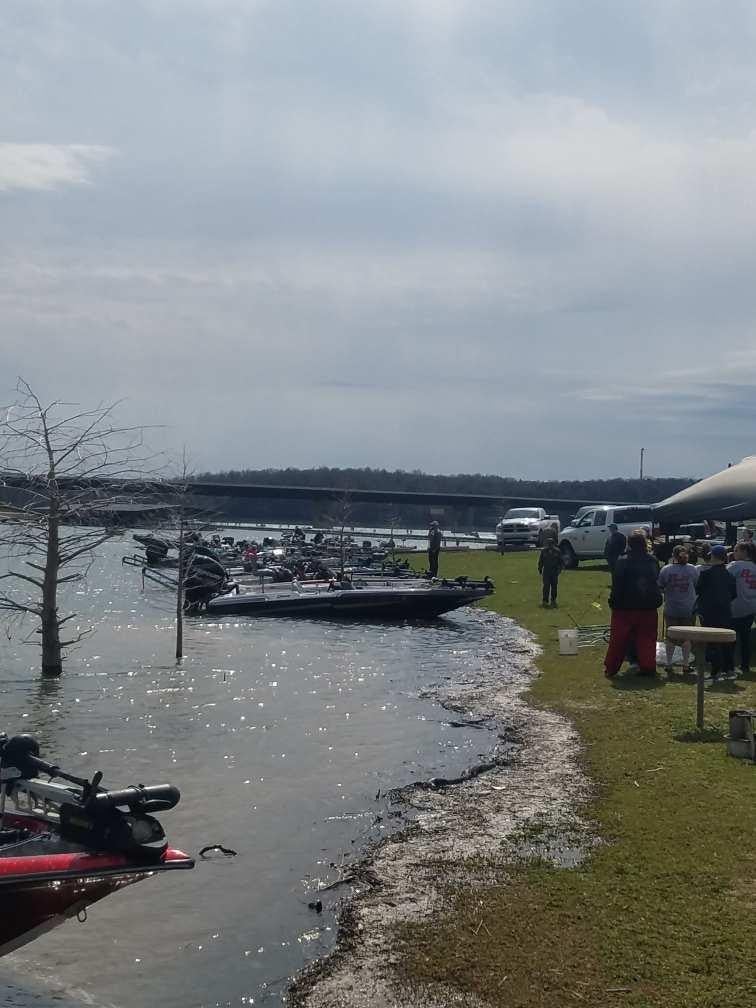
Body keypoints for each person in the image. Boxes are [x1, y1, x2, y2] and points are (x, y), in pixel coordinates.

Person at [604, 531, 663, 678]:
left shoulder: (622, 560)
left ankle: (611, 667)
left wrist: (613, 600)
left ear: (629, 544)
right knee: (647, 638)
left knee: (618, 639)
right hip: (648, 605)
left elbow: (617, 584)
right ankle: (648, 666)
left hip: (624, 606)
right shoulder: (652, 560)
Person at [696, 544, 737, 680]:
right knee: (726, 640)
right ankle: (729, 669)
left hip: (709, 611)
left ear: (713, 557)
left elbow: (698, 591)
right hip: (725, 610)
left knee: (712, 641)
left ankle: (716, 671)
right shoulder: (729, 575)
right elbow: (734, 594)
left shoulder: (706, 574)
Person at [658, 545, 699, 674]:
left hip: (672, 606)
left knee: (671, 636)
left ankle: (669, 664)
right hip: (688, 607)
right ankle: (685, 665)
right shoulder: (693, 569)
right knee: (687, 637)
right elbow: (696, 584)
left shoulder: (666, 569)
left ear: (673, 556)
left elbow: (660, 585)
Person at [727, 541, 756, 675]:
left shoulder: (735, 565)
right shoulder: (754, 567)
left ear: (744, 552)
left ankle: (730, 665)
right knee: (745, 638)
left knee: (731, 638)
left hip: (735, 606)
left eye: (736, 550)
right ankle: (745, 665)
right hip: (751, 605)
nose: (734, 553)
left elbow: (724, 577)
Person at [537, 537, 563, 608]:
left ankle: (553, 601)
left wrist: (559, 570)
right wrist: (540, 568)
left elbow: (561, 562)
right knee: (546, 586)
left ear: (553, 544)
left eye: (551, 544)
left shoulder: (557, 551)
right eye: (548, 544)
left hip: (554, 571)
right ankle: (545, 601)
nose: (550, 545)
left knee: (554, 587)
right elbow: (541, 561)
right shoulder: (544, 551)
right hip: (546, 571)